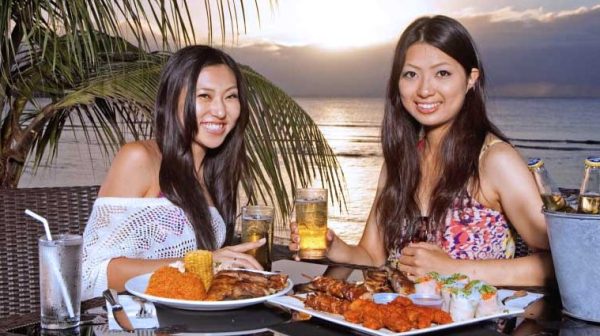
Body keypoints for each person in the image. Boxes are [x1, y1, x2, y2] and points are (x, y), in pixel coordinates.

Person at [290, 15, 554, 286]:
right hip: (398, 322)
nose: (425, 89)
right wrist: (333, 246)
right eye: (411, 74)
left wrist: (454, 269)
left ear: (470, 79)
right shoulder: (401, 162)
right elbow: (372, 255)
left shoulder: (495, 160)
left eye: (442, 73)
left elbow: (563, 261)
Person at [81, 45, 264, 299]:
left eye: (231, 96)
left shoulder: (211, 175)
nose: (221, 111)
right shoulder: (141, 159)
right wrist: (199, 261)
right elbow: (90, 273)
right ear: (172, 99)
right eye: (204, 96)